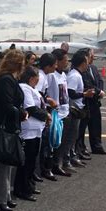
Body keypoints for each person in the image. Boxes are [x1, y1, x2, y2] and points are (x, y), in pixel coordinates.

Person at [0, 49, 26, 211]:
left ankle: (6, 196)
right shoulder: (6, 80)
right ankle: (0, 199)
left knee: (8, 163)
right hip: (5, 125)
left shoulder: (9, 79)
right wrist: (22, 113)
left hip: (8, 124)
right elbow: (7, 104)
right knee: (3, 164)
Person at [14, 66, 50, 201]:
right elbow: (31, 108)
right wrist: (46, 115)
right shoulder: (24, 88)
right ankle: (21, 188)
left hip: (36, 129)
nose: (38, 80)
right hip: (28, 129)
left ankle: (29, 185)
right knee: (26, 161)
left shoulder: (33, 89)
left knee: (32, 160)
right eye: (36, 78)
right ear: (31, 78)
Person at [58, 51, 95, 170]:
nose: (88, 64)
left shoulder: (76, 74)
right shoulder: (75, 75)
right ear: (82, 63)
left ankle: (70, 158)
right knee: (70, 137)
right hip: (73, 110)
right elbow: (71, 93)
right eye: (86, 61)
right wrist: (85, 94)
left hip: (76, 109)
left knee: (73, 137)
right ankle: (66, 160)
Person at [76, 48, 106, 156]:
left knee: (96, 125)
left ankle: (97, 146)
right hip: (86, 101)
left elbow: (99, 80)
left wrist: (100, 91)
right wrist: (98, 91)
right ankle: (80, 149)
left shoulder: (94, 68)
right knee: (82, 127)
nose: (93, 57)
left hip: (95, 102)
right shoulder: (81, 70)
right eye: (91, 55)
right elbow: (86, 84)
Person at [48, 49, 73, 177]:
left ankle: (58, 164)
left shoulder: (63, 74)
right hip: (56, 114)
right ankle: (49, 167)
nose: (68, 62)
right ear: (57, 61)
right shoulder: (51, 76)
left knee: (62, 142)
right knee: (53, 142)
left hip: (65, 112)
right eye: (65, 60)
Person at [35, 53, 58, 181]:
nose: (55, 66)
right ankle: (39, 170)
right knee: (42, 145)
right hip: (40, 115)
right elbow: (37, 96)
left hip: (42, 113)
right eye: (54, 64)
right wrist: (46, 110)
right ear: (48, 66)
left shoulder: (43, 75)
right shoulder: (41, 77)